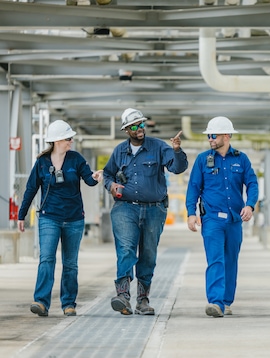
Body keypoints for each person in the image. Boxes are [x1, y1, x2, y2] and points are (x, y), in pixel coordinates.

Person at [103, 108, 188, 316]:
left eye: (141, 124)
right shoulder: (119, 151)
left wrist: (177, 150)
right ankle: (123, 296)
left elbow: (177, 168)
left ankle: (143, 300)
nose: (140, 129)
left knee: (148, 255)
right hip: (125, 208)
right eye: (134, 126)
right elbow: (107, 173)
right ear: (126, 130)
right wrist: (111, 185)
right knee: (126, 250)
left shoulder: (159, 147)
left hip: (154, 210)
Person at [18, 120, 103, 317]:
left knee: (70, 263)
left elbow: (89, 180)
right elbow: (31, 189)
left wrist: (96, 177)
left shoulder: (76, 159)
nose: (71, 141)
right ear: (57, 141)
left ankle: (68, 303)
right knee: (47, 258)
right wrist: (21, 215)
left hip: (74, 218)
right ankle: (41, 301)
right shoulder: (42, 163)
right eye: (68, 138)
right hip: (50, 217)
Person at [186, 116, 259, 318]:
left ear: (226, 136)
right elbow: (193, 187)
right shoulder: (202, 160)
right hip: (211, 220)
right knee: (215, 260)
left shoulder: (241, 159)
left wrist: (250, 205)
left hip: (235, 220)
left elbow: (252, 183)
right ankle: (215, 302)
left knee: (231, 261)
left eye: (213, 135)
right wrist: (191, 213)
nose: (210, 139)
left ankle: (226, 301)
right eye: (209, 135)